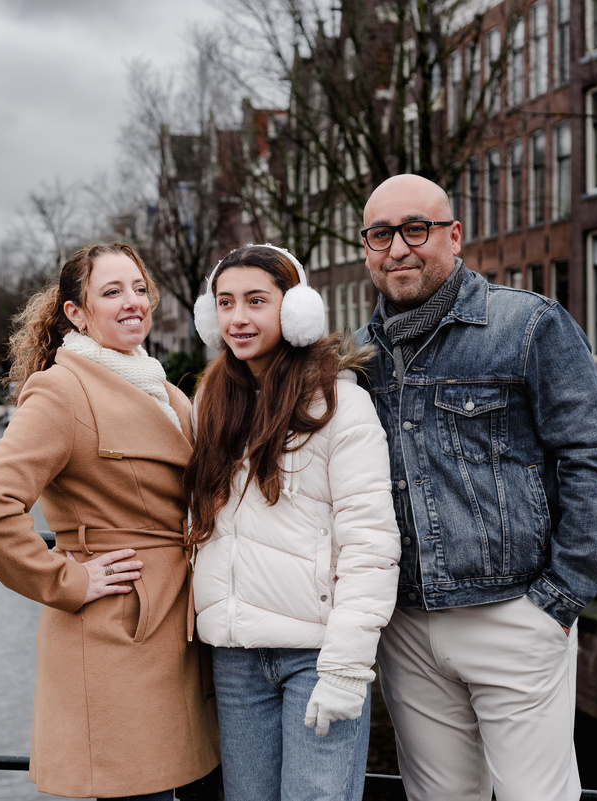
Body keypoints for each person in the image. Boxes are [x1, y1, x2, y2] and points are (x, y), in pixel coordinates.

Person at [354, 174, 597, 801]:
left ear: (453, 236)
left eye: (415, 229)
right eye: (380, 235)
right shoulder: (358, 359)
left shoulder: (527, 325)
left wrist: (559, 599)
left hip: (513, 614)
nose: (398, 248)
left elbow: (593, 456)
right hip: (406, 626)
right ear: (366, 248)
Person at [0, 242, 220, 801]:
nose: (133, 302)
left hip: (180, 630)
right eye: (112, 292)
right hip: (118, 634)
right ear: (76, 313)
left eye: (139, 289)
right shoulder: (62, 391)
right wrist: (68, 580)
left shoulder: (163, 390)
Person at [184, 243, 401, 801]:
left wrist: (347, 668)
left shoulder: (341, 406)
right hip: (234, 657)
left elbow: (370, 543)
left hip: (316, 657)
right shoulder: (210, 401)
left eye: (256, 301)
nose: (237, 318)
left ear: (297, 309)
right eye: (225, 302)